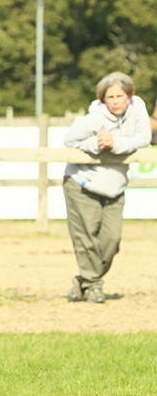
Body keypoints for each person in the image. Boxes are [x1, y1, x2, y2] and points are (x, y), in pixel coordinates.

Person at [62, 72, 152, 303]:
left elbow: (143, 138)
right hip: (82, 183)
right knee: (86, 239)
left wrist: (116, 143)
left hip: (115, 188)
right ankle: (93, 285)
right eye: (109, 97)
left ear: (129, 95)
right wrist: (96, 143)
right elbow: (69, 141)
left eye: (119, 96)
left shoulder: (138, 108)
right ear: (102, 99)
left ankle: (83, 280)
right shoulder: (93, 119)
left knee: (111, 241)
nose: (115, 101)